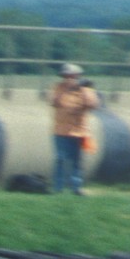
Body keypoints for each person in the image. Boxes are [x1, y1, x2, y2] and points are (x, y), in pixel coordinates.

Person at [49, 62, 99, 195]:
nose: (68, 79)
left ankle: (76, 187)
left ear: (77, 76)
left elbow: (93, 105)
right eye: (66, 76)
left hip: (78, 131)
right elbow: (53, 102)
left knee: (76, 161)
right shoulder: (58, 88)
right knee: (60, 158)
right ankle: (57, 188)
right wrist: (67, 91)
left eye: (72, 76)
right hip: (60, 131)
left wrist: (84, 89)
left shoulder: (85, 90)